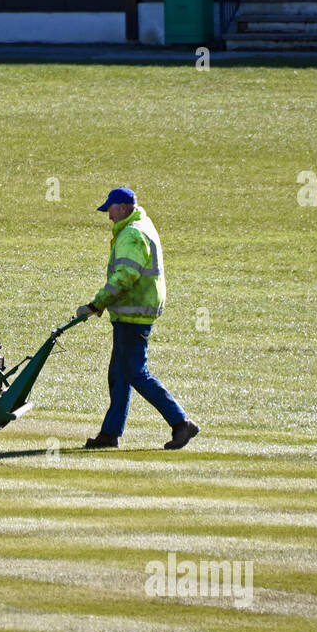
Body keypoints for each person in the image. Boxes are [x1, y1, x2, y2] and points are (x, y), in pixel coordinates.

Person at [76, 187, 199, 450]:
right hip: (132, 313)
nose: (109, 216)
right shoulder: (142, 225)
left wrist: (95, 305)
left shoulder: (131, 234)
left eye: (110, 209)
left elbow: (124, 277)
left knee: (135, 372)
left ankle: (181, 423)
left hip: (134, 314)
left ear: (122, 207)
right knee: (119, 374)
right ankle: (109, 434)